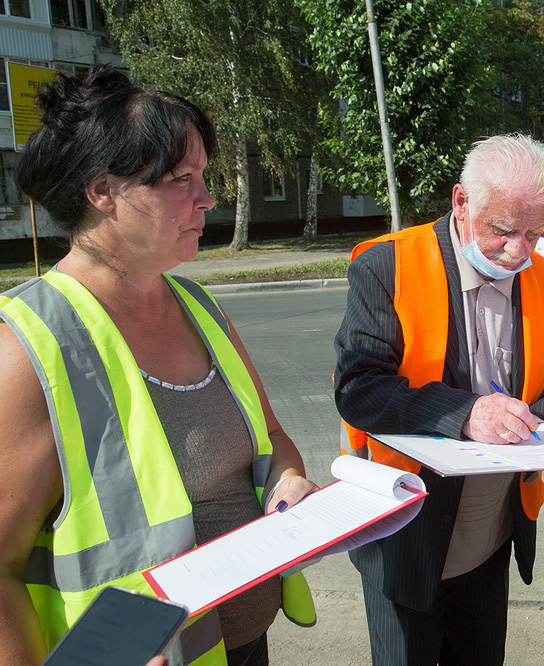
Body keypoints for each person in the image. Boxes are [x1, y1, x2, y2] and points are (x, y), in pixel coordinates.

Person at [0, 66, 318, 665]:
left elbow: (270, 437)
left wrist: (286, 482)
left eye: (203, 176)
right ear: (102, 192)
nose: (208, 198)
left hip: (246, 644)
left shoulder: (199, 307)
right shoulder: (27, 349)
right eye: (181, 179)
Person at [334, 133, 544, 665]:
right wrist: (468, 415)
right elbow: (359, 390)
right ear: (462, 203)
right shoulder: (387, 267)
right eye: (505, 231)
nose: (520, 253)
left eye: (537, 232)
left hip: (491, 532)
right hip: (406, 532)